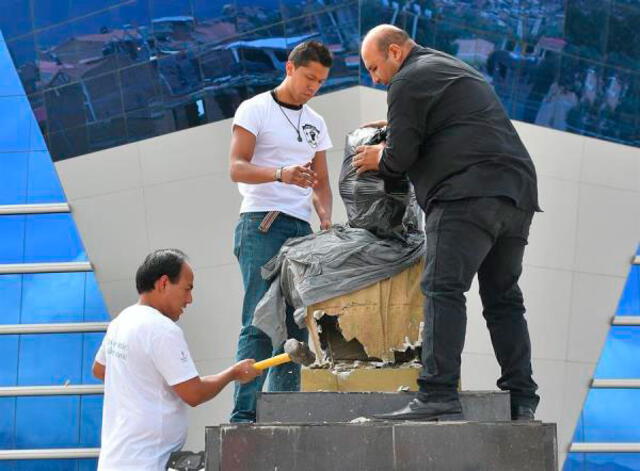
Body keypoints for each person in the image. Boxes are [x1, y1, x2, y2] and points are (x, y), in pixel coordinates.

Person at [354, 25, 541, 421]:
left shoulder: (406, 80)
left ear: (394, 52)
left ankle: (437, 393)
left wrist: (378, 158)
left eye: (374, 67)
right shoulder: (449, 67)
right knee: (503, 299)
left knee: (442, 288)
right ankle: (522, 398)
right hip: (516, 193)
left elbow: (401, 157)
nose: (375, 78)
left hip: (466, 193)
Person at [228, 40, 334, 423]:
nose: (313, 87)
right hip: (262, 221)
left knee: (295, 325)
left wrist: (325, 220)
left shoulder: (316, 123)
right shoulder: (255, 108)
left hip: (301, 228)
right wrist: (280, 174)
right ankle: (244, 415)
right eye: (309, 78)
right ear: (290, 67)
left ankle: (281, 416)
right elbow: (237, 167)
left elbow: (322, 182)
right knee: (260, 317)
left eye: (320, 82)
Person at [92, 249, 260, 471]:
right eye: (187, 289)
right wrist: (233, 374)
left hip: (115, 461)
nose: (189, 299)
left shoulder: (121, 322)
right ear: (163, 283)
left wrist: (145, 386)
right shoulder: (161, 329)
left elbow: (100, 370)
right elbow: (194, 393)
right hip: (148, 463)